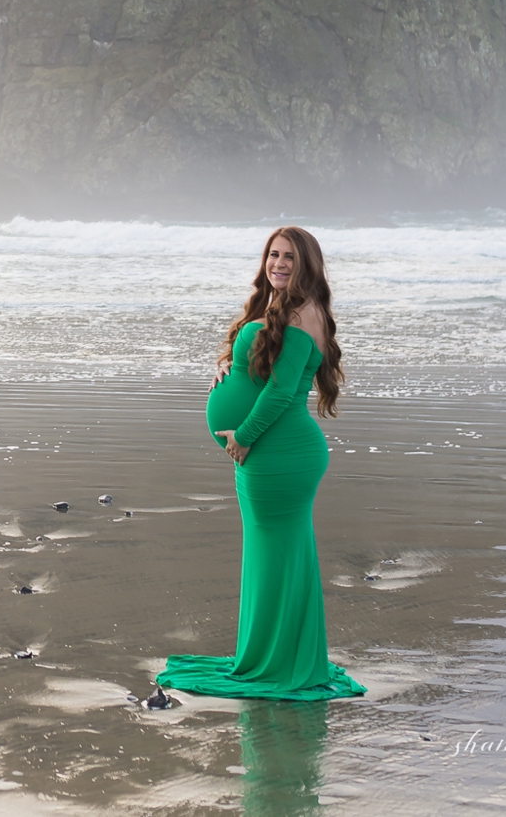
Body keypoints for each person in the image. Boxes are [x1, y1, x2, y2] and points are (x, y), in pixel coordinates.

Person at [156, 225, 367, 702]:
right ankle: (276, 656)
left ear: (306, 263)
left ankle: (282, 663)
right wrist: (225, 365)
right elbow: (259, 371)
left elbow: (279, 391)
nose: (278, 264)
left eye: (289, 257)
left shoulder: (304, 312)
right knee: (272, 556)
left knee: (279, 556)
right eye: (273, 255)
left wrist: (245, 438)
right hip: (268, 452)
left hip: (281, 453)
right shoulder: (279, 308)